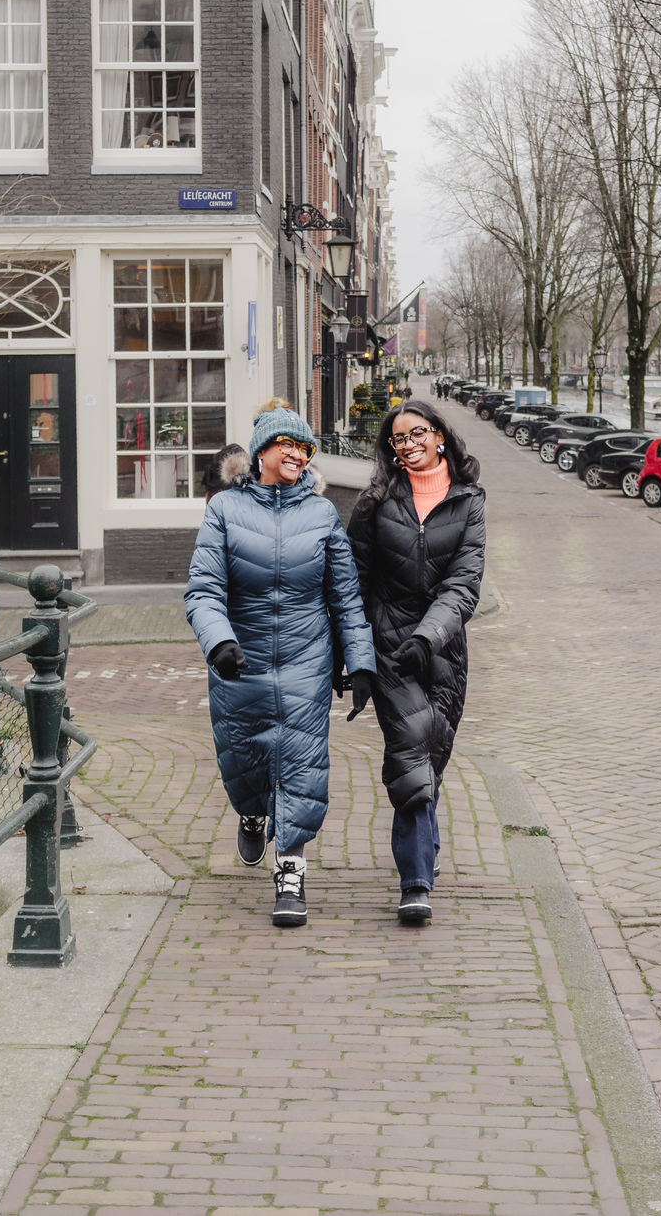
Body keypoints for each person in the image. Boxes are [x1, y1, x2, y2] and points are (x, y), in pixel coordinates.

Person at [185, 402, 376, 928]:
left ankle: (290, 872)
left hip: (306, 661)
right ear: (263, 451)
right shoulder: (223, 510)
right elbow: (203, 590)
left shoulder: (321, 515)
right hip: (238, 661)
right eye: (287, 444)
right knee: (244, 759)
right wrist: (218, 642)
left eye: (304, 447)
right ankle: (251, 811)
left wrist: (359, 662)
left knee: (300, 765)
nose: (297, 453)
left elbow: (346, 597)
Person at [347, 398, 486, 925]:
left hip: (444, 650)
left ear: (440, 436)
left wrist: (429, 638)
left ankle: (422, 848)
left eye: (417, 433)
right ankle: (415, 881)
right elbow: (352, 582)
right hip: (390, 649)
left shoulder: (468, 502)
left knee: (432, 756)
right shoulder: (376, 501)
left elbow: (463, 584)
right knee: (409, 754)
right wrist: (356, 656)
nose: (407, 444)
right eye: (397, 439)